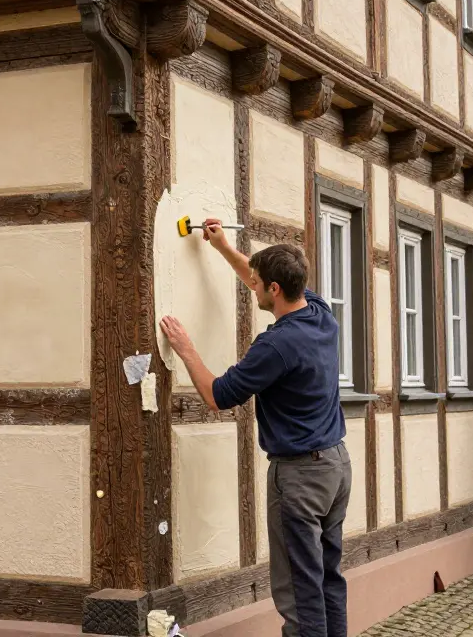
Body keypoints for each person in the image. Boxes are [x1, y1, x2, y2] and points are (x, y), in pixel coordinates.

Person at [159, 218, 350, 637]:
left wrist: (187, 348)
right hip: (336, 467)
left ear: (274, 290)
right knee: (328, 579)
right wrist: (224, 247)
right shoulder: (320, 314)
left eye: (260, 283)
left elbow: (218, 395)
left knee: (299, 592)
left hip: (299, 478)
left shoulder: (276, 345)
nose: (255, 286)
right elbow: (256, 275)